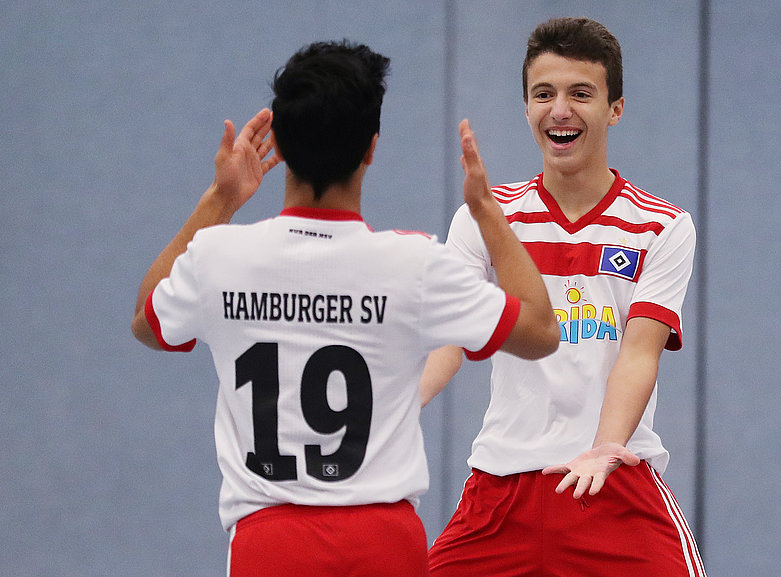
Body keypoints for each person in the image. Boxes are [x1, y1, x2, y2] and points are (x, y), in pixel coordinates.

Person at [130, 40, 558, 577]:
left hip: (270, 541)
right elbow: (541, 330)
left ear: (279, 144)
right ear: (371, 148)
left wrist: (221, 199)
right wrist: (486, 212)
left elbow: (148, 322)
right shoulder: (413, 263)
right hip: (383, 539)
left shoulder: (218, 256)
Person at [422, 18, 706, 577]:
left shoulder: (662, 225)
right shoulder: (487, 216)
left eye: (581, 94)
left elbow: (639, 352)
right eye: (543, 94)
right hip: (501, 491)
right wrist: (394, 408)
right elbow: (448, 342)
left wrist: (603, 448)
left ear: (615, 108)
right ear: (526, 106)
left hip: (613, 482)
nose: (560, 110)